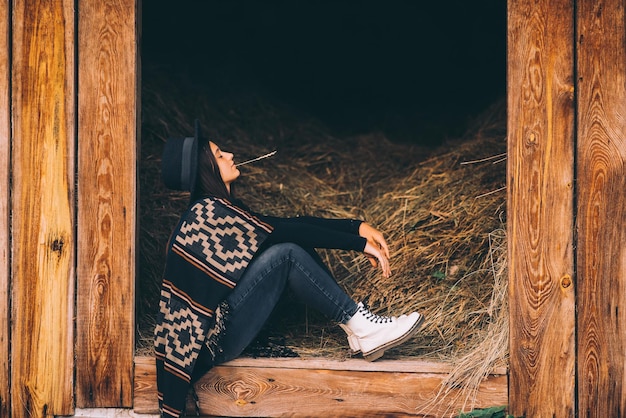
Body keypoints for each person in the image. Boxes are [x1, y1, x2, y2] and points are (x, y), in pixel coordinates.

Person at [154, 121, 424, 417]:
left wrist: (356, 228)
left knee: (290, 243)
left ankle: (359, 330)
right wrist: (358, 244)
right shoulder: (206, 214)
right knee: (286, 254)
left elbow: (286, 225)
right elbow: (282, 231)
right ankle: (360, 325)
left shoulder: (219, 209)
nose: (230, 155)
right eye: (219, 155)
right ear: (206, 169)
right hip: (214, 342)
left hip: (225, 327)